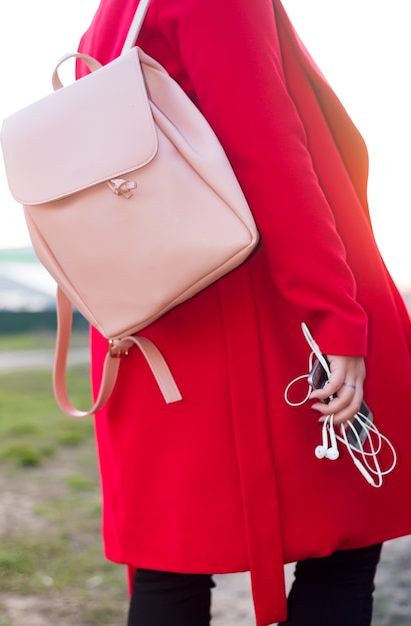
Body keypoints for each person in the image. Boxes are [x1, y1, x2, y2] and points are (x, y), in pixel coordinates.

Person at [76, 1, 411, 624]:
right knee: (345, 542)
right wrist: (334, 315)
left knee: (170, 564)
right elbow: (269, 152)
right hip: (258, 316)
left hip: (150, 317)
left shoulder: (112, 11)